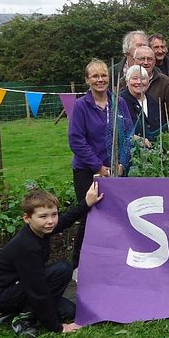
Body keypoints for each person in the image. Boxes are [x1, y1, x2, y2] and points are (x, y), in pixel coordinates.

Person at [0, 183, 103, 335]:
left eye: (54, 214)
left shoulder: (40, 230)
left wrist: (86, 203)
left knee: (69, 311)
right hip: (2, 296)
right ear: (27, 218)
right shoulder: (27, 246)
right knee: (62, 269)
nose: (50, 221)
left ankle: (19, 313)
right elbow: (38, 290)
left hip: (19, 286)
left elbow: (65, 221)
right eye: (43, 216)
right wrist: (58, 327)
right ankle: (22, 317)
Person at [68, 59, 133, 268]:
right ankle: (78, 265)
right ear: (87, 80)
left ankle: (109, 262)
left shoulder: (119, 103)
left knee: (115, 217)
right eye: (95, 76)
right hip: (87, 171)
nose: (100, 80)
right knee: (89, 217)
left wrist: (122, 162)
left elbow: (128, 134)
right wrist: (99, 167)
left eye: (104, 75)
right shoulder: (81, 106)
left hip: (116, 170)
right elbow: (76, 140)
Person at [132, 45, 169, 123]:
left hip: (159, 132)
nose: (146, 62)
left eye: (150, 59)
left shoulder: (165, 82)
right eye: (142, 59)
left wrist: (167, 131)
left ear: (154, 62)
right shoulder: (125, 82)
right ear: (134, 61)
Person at [120, 64, 161, 143]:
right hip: (131, 152)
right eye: (134, 78)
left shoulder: (152, 101)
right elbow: (119, 131)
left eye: (143, 79)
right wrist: (138, 140)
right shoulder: (120, 101)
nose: (139, 82)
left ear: (148, 81)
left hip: (154, 151)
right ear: (127, 82)